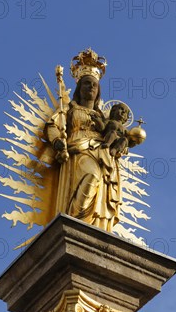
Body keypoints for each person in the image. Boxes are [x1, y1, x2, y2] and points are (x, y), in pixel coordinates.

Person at [45, 74, 122, 231]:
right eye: (87, 83)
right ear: (79, 89)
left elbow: (116, 133)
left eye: (95, 85)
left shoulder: (102, 117)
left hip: (102, 153)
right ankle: (75, 222)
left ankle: (90, 226)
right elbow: (52, 125)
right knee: (91, 176)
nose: (91, 87)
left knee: (99, 184)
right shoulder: (69, 109)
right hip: (78, 149)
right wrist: (56, 141)